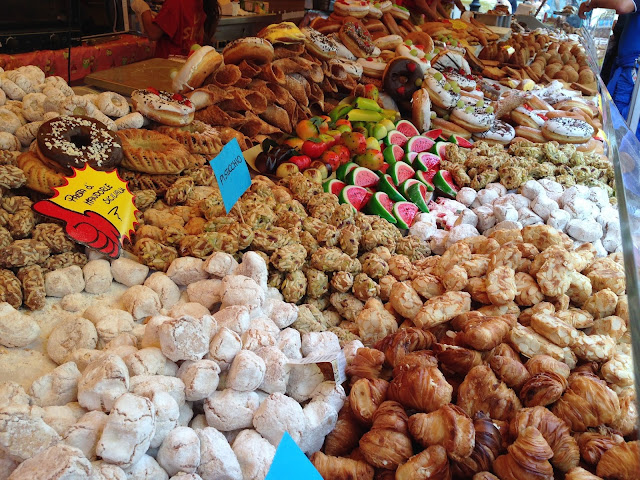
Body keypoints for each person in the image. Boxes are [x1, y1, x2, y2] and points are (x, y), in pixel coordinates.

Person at [580, 0, 640, 138]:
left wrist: (592, 3)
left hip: (633, 74)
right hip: (628, 66)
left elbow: (622, 5)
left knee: (618, 129)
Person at [130, 0, 220, 58]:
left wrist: (144, 9)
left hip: (168, 66)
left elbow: (153, 33)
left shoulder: (175, 2)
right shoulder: (199, 2)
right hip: (188, 64)